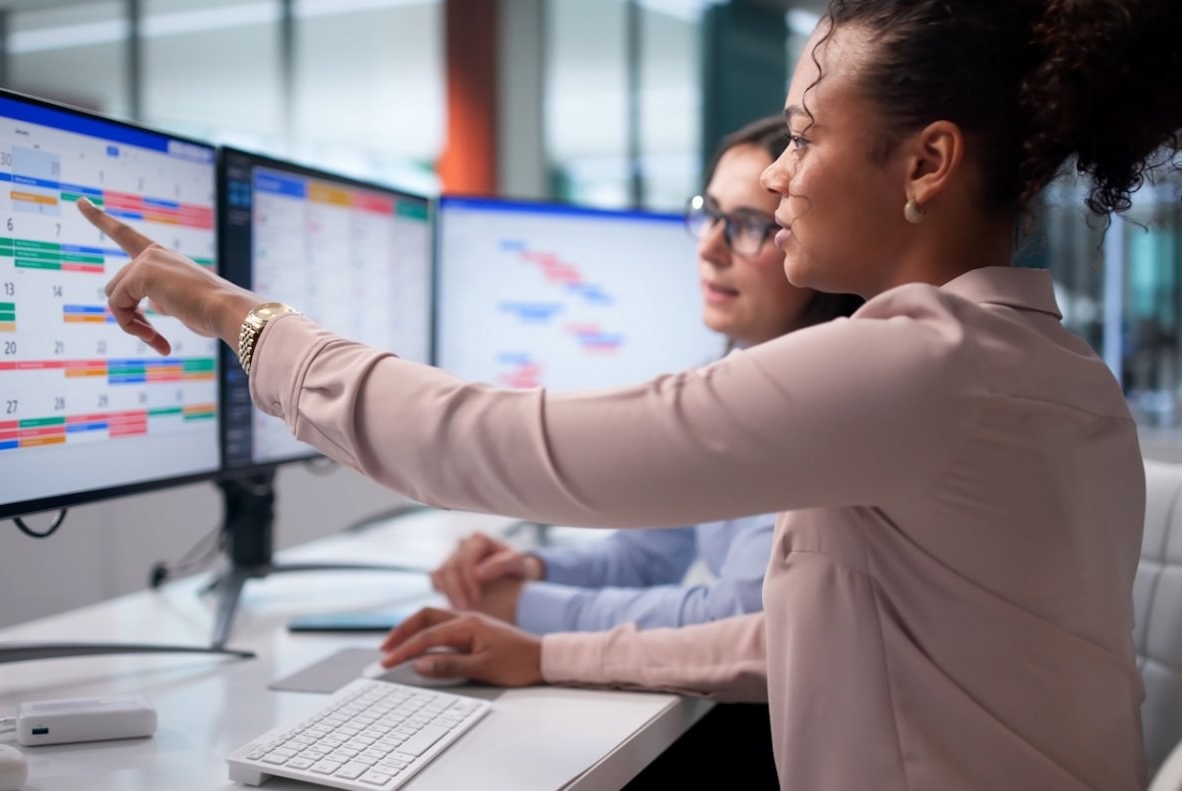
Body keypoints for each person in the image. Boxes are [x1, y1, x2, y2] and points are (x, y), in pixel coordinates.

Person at [77, 1, 1182, 787]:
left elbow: (502, 445)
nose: (781, 174)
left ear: (926, 163)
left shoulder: (924, 365)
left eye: (802, 137)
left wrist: (239, 317)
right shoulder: (1036, 359)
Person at [432, 116, 863, 642]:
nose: (708, 248)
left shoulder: (829, 404)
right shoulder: (724, 378)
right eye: (711, 214)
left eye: (750, 224)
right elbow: (648, 555)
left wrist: (528, 609)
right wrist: (529, 571)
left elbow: (745, 612)